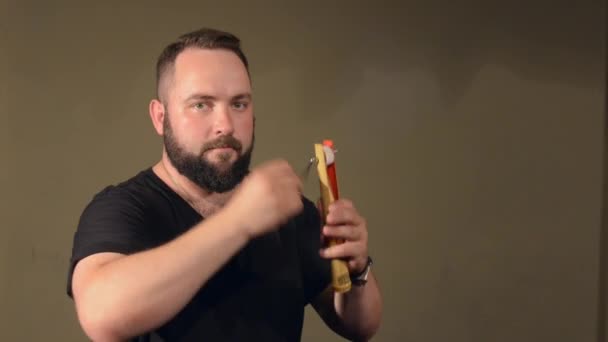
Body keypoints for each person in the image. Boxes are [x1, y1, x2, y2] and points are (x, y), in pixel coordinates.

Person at [67, 27, 382, 342]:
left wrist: (356, 270)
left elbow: (360, 325)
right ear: (160, 117)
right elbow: (102, 315)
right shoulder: (122, 209)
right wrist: (239, 222)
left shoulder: (288, 211)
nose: (225, 125)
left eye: (239, 104)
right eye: (201, 105)